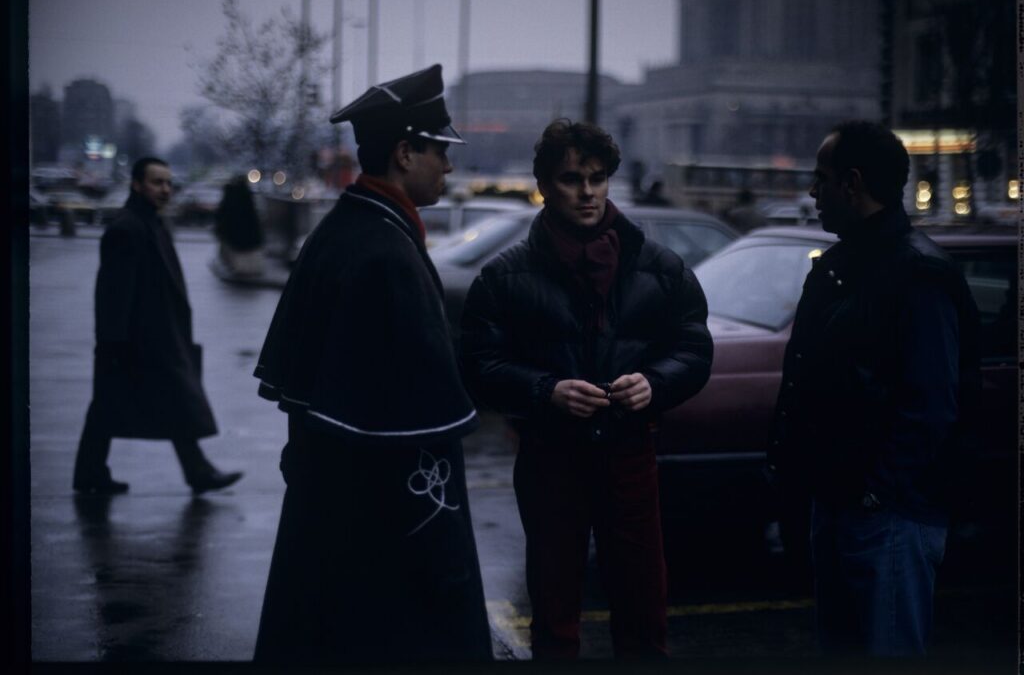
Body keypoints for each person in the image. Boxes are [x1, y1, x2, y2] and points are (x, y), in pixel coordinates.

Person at [252, 65, 492, 664]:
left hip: (332, 514)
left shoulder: (347, 229)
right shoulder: (386, 251)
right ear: (405, 153)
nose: (449, 166)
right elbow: (419, 428)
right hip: (383, 525)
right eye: (440, 151)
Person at [459, 119, 713, 659]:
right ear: (545, 185)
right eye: (572, 179)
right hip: (551, 457)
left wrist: (653, 383)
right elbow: (479, 365)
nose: (588, 192)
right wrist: (546, 391)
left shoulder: (659, 267)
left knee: (643, 607)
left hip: (630, 453)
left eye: (597, 178)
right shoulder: (504, 276)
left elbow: (694, 350)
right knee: (554, 611)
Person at [767, 120, 981, 656]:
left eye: (821, 179)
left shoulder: (918, 273)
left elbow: (931, 405)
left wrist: (874, 493)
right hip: (845, 501)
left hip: (888, 515)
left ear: (853, 183)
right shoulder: (845, 265)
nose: (812, 192)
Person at [72, 157, 244, 495]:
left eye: (168, 183)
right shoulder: (128, 229)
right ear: (137, 185)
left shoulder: (149, 223)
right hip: (139, 340)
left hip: (155, 336)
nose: (165, 189)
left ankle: (95, 473)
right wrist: (113, 344)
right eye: (157, 182)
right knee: (130, 403)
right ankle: (194, 472)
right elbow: (113, 294)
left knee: (145, 403)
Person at [213, 174, 264, 277]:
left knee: (236, 255)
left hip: (234, 234)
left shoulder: (230, 195)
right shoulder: (246, 196)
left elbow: (223, 215)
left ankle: (238, 268)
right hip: (245, 235)